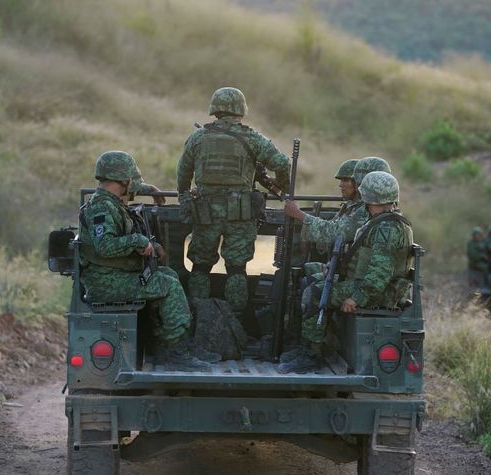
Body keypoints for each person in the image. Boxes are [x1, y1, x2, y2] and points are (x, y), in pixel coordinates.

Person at [79, 150, 215, 368]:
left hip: (114, 276)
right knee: (169, 286)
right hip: (106, 282)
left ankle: (163, 344)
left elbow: (128, 188)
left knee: (168, 274)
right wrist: (139, 241)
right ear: (124, 181)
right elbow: (105, 246)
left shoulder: (109, 200)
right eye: (132, 182)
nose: (134, 187)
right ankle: (175, 353)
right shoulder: (101, 208)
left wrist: (149, 190)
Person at [280, 171, 414, 373]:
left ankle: (311, 355)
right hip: (370, 285)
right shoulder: (385, 221)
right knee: (312, 281)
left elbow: (380, 273)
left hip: (377, 292)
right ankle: (306, 346)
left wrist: (356, 298)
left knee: (314, 294)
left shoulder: (386, 229)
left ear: (369, 197)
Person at [176, 87, 290, 313]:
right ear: (241, 110)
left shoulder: (198, 137)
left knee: (200, 266)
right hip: (240, 213)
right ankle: (236, 319)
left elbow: (183, 172)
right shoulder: (253, 138)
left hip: (205, 212)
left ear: (215, 109)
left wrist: (184, 196)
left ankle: (198, 316)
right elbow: (282, 163)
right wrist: (282, 185)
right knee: (237, 268)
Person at [283, 158, 365, 255]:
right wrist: (306, 236)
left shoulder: (364, 209)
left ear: (358, 183)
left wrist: (299, 214)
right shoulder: (350, 205)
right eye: (341, 180)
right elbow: (332, 227)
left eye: (346, 180)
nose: (340, 185)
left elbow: (335, 232)